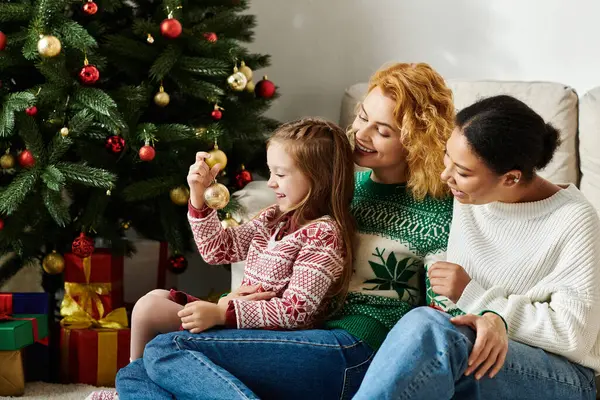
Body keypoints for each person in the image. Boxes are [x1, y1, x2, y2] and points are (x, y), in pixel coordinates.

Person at [114, 62, 456, 400]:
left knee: (166, 349)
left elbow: (441, 313)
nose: (361, 135)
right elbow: (241, 250)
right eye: (363, 116)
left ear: (416, 141)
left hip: (357, 350)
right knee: (135, 373)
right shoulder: (341, 189)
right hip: (301, 338)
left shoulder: (438, 208)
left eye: (382, 131)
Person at [354, 95, 600, 400]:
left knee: (429, 327)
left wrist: (486, 307)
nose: (446, 176)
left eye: (463, 172)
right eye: (447, 157)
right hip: (475, 349)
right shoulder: (469, 196)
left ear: (511, 178)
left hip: (559, 375)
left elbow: (573, 335)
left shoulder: (573, 219)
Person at [128, 117, 356, 360]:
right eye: (270, 172)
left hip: (268, 339)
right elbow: (217, 250)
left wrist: (222, 313)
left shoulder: (323, 235)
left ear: (319, 177)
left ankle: (131, 386)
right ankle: (135, 381)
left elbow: (295, 311)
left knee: (148, 309)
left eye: (280, 174)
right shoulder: (274, 218)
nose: (270, 182)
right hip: (240, 320)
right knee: (156, 297)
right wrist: (198, 197)